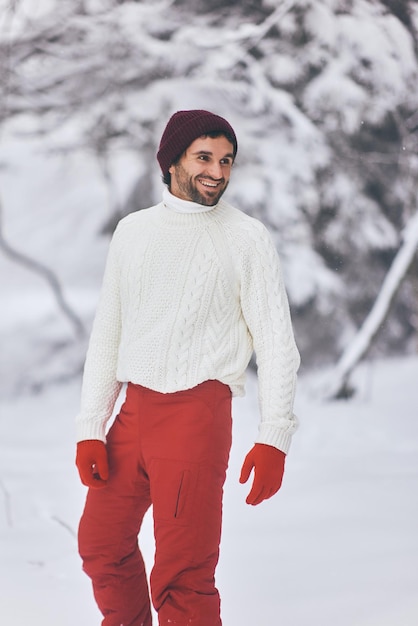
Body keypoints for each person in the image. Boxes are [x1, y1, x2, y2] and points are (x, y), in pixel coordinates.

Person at [75, 109, 300, 626]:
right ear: (172, 159)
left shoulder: (246, 237)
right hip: (133, 415)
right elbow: (108, 334)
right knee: (101, 546)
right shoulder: (133, 232)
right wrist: (92, 427)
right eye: (204, 157)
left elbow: (277, 344)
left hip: (197, 415)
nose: (217, 172)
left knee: (183, 577)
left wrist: (274, 437)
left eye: (226, 161)